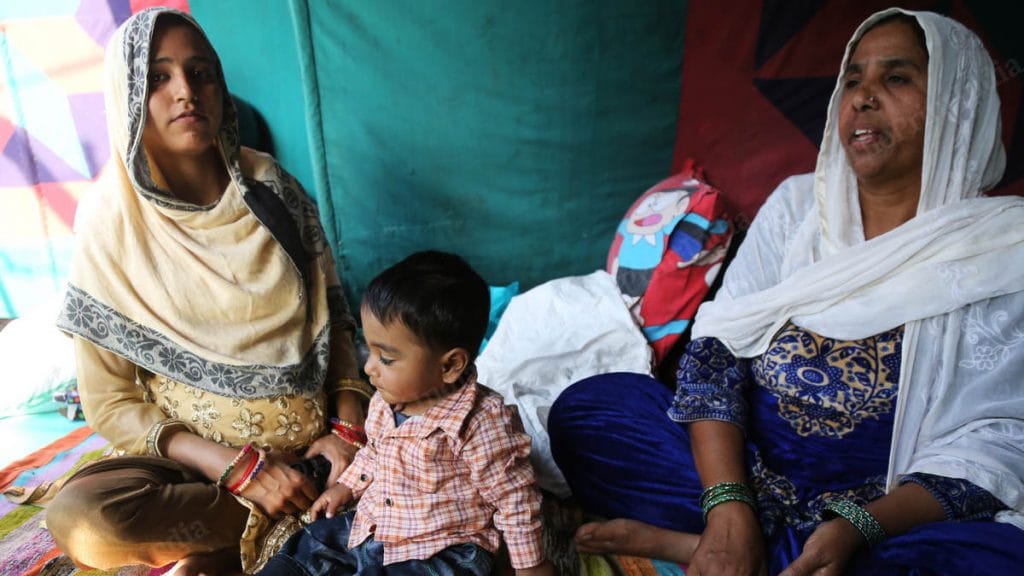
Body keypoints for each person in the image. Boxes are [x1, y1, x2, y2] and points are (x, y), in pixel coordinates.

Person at [548, 8, 1024, 576]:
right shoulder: (800, 207)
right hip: (745, 477)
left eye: (896, 78)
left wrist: (858, 525)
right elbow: (716, 351)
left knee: (997, 559)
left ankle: (696, 548)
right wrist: (728, 508)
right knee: (591, 411)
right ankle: (739, 544)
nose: (863, 98)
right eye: (853, 80)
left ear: (957, 104)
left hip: (882, 511)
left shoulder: (1002, 249)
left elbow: (997, 442)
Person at [45, 7, 374, 575]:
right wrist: (236, 468)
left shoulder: (273, 190)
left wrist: (347, 431)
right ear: (126, 97)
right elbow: (110, 400)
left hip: (318, 450)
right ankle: (281, 516)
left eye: (201, 74)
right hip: (196, 469)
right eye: (157, 78)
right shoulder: (110, 221)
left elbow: (335, 325)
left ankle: (258, 526)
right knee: (84, 520)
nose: (185, 93)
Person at [260, 250, 555, 576]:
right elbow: (374, 453)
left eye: (385, 358)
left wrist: (533, 566)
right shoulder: (385, 400)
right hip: (376, 525)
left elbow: (514, 500)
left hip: (441, 549)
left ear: (450, 365)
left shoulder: (482, 423)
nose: (369, 368)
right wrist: (346, 487)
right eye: (369, 350)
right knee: (308, 546)